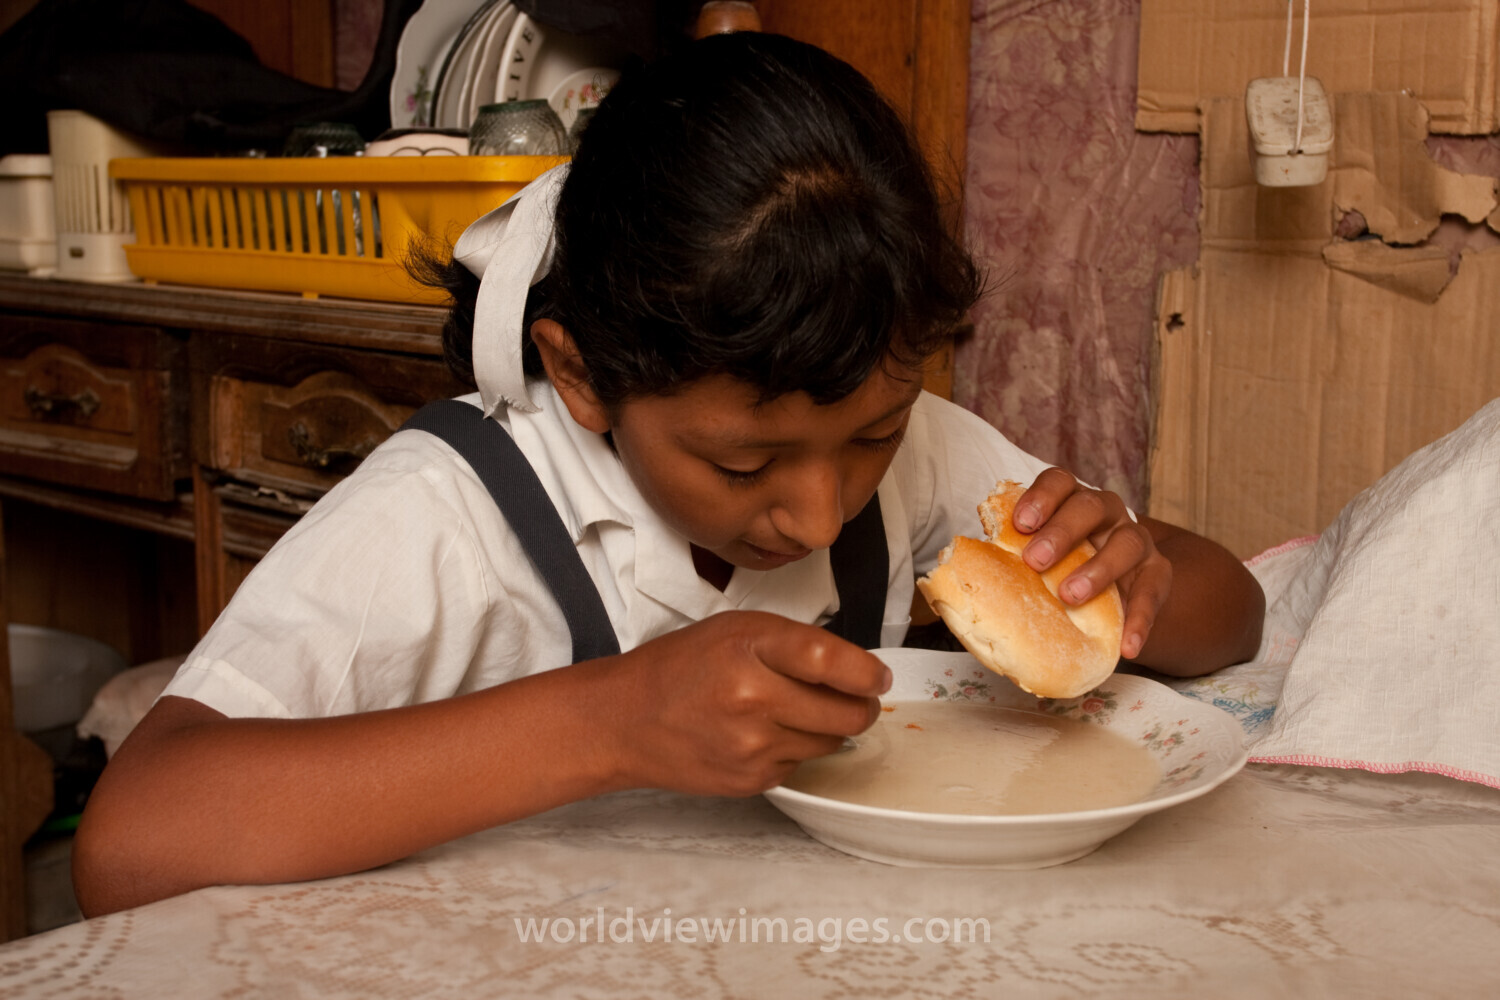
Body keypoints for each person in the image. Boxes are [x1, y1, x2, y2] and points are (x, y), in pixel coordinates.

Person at [71, 32, 1264, 917]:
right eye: (742, 460)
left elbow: (1233, 617)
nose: (817, 509)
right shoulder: (455, 510)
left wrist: (1129, 572)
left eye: (872, 436)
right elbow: (132, 839)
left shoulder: (915, 453)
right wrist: (608, 725)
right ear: (583, 377)